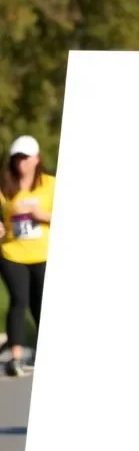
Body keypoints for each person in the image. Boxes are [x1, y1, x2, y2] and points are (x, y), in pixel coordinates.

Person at [0, 136, 55, 378]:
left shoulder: (51, 185)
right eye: (17, 157)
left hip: (44, 253)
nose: (21, 162)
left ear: (37, 159)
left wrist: (39, 214)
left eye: (26, 157)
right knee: (19, 299)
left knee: (40, 303)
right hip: (12, 253)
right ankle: (16, 356)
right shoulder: (4, 185)